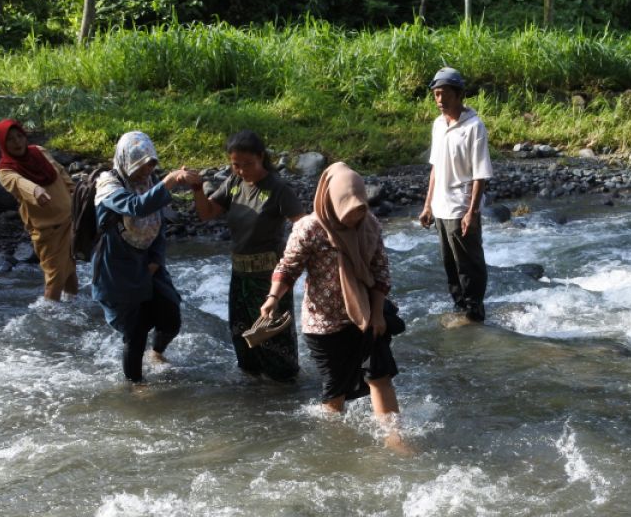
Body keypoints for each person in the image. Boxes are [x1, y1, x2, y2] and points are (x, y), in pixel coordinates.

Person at [260, 162, 409, 452]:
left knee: (380, 375)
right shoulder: (310, 229)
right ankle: (335, 449)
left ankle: (395, 439)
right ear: (332, 200)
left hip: (365, 315)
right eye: (349, 209)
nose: (355, 217)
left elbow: (380, 273)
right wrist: (273, 298)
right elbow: (288, 268)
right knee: (335, 393)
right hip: (323, 323)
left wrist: (378, 314)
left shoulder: (370, 224)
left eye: (360, 207)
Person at [189, 131, 306, 381]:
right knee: (242, 337)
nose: (242, 170)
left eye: (248, 164)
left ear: (261, 157)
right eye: (236, 165)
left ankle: (284, 392)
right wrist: (198, 188)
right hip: (239, 274)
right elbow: (207, 213)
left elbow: (303, 226)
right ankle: (253, 392)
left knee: (274, 338)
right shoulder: (234, 183)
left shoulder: (278, 189)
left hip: (269, 278)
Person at [91, 131, 196, 383]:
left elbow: (158, 224)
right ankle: (135, 385)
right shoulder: (109, 186)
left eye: (150, 164)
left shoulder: (149, 181)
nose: (145, 171)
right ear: (127, 161)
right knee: (135, 329)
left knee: (170, 314)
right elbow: (136, 207)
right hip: (117, 268)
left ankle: (156, 353)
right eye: (140, 165)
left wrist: (156, 260)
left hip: (148, 261)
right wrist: (170, 181)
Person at [418, 66, 493, 323]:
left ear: (459, 94)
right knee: (450, 266)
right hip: (440, 206)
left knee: (469, 266)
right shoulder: (438, 125)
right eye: (436, 95)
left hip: (461, 207)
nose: (439, 100)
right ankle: (460, 310)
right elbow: (435, 168)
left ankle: (474, 314)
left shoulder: (474, 126)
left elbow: (480, 174)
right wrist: (427, 205)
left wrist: (471, 212)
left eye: (444, 94)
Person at [0, 119, 77, 301]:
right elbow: (18, 183)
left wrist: (78, 193)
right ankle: (48, 321)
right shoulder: (5, 171)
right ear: (3, 143)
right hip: (48, 231)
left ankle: (73, 310)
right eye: (10, 139)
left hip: (69, 221)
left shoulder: (39, 152)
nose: (17, 142)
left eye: (19, 136)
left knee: (70, 271)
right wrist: (36, 190)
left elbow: (60, 172)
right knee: (55, 279)